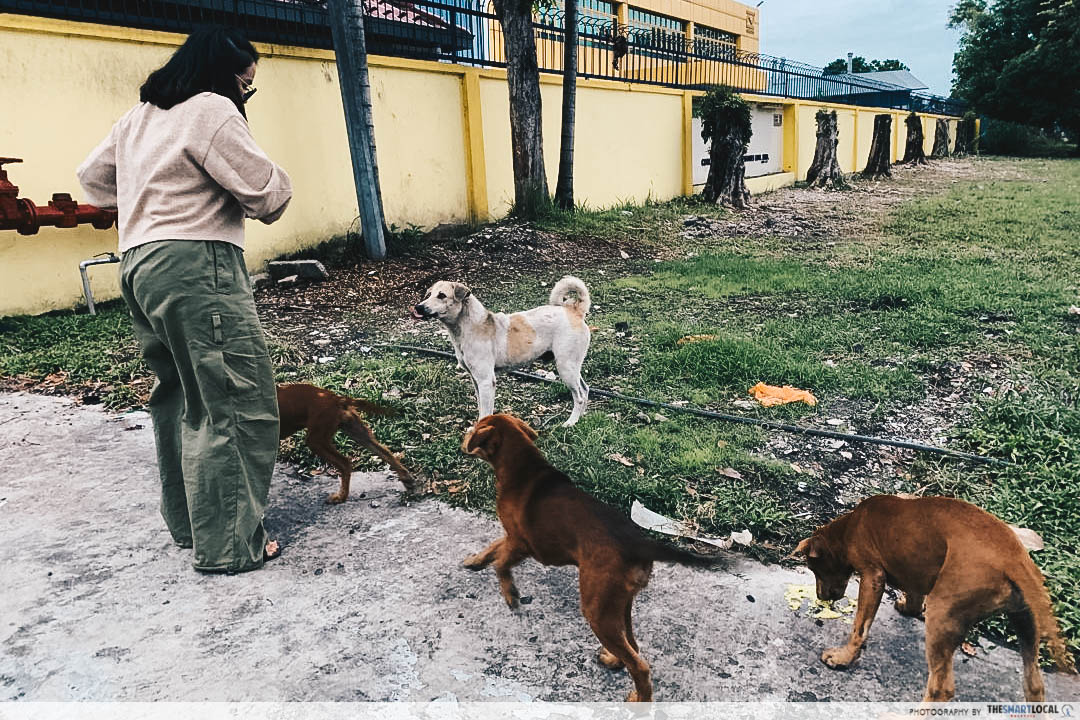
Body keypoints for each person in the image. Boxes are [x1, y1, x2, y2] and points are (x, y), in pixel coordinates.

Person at [77, 26, 292, 574]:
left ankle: (194, 526)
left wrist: (154, 188)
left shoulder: (138, 117)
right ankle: (229, 545)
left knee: (178, 394)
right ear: (225, 76)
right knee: (232, 398)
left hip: (139, 264)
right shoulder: (211, 110)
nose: (246, 94)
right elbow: (269, 196)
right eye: (246, 83)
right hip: (198, 265)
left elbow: (93, 181)